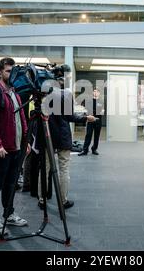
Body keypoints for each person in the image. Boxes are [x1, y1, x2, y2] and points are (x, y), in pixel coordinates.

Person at [0, 58, 30, 235]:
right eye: (8, 71)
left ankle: (8, 214)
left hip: (15, 148)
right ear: (0, 72)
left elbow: (22, 119)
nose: (11, 74)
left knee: (10, 184)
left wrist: (26, 142)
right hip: (0, 150)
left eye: (13, 71)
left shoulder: (14, 93)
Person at [38, 74, 96, 210]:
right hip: (63, 135)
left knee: (45, 168)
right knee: (63, 169)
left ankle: (42, 200)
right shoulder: (66, 95)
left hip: (47, 135)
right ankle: (63, 201)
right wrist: (86, 118)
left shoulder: (44, 95)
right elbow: (70, 117)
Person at [79, 88, 104, 156]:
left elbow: (101, 111)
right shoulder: (89, 100)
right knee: (88, 135)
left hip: (98, 121)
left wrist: (94, 111)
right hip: (90, 120)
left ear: (99, 93)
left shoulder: (101, 101)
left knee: (96, 136)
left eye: (97, 92)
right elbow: (84, 106)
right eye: (94, 91)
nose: (95, 93)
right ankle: (85, 150)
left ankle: (94, 149)